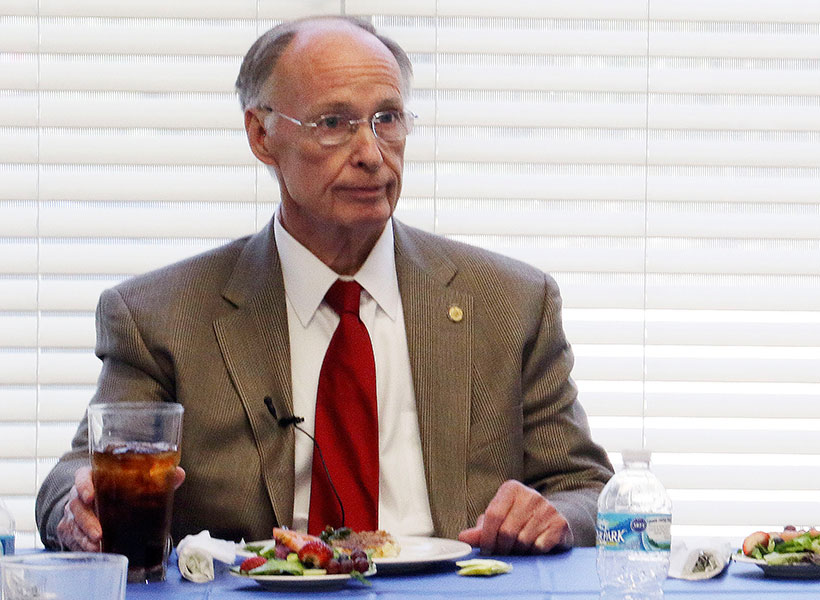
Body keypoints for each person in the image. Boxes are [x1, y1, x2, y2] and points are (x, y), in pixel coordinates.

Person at [36, 15, 613, 556]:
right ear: (261, 135)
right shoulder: (162, 317)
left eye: (387, 119)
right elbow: (75, 474)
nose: (371, 154)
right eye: (333, 123)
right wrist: (80, 507)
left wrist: (553, 517)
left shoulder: (509, 303)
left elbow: (584, 489)